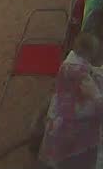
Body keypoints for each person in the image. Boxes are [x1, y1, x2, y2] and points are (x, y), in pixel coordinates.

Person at [41, 32, 103, 169]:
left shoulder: (70, 62)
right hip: (69, 120)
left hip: (58, 111)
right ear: (89, 52)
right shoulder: (80, 70)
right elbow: (92, 93)